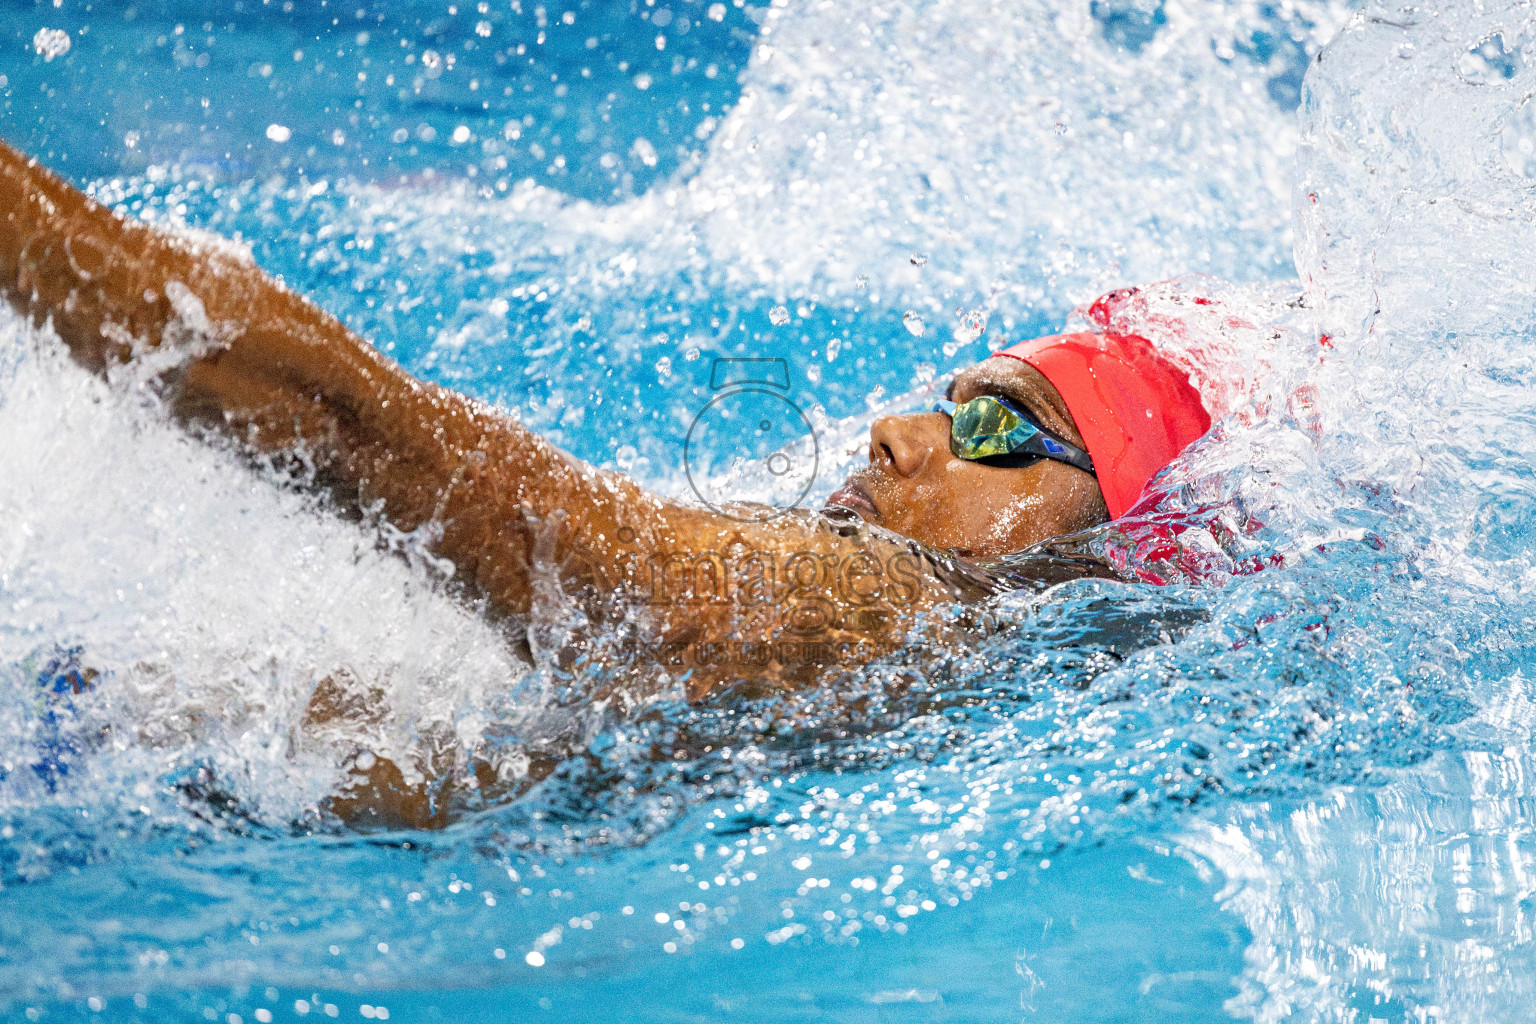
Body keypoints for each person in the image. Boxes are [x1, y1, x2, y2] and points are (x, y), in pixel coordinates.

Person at [0, 138, 1211, 824]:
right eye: (949, 400)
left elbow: (365, 437)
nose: (898, 431)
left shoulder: (888, 610)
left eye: (998, 426)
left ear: (1119, 539)